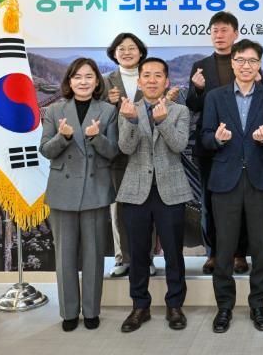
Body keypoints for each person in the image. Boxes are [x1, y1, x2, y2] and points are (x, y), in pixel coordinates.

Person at [201, 39, 263, 333]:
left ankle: (258, 305)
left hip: (260, 180)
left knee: (260, 248)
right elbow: (205, 137)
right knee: (224, 249)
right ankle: (224, 307)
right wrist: (217, 139)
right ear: (232, 63)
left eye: (252, 61)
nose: (246, 66)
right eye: (241, 60)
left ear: (259, 65)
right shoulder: (215, 96)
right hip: (226, 181)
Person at [39, 58, 119, 331]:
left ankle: (92, 311)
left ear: (97, 81)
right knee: (65, 257)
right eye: (77, 77)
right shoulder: (54, 111)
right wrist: (62, 137)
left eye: (89, 76)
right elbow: (46, 150)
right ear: (69, 82)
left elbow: (113, 151)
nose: (83, 82)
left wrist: (96, 137)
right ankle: (69, 312)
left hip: (95, 190)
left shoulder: (108, 111)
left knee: (94, 256)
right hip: (63, 191)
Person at [116, 57, 194, 333]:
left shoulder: (180, 111)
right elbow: (125, 148)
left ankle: (175, 305)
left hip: (170, 190)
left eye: (157, 75)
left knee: (174, 252)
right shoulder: (128, 109)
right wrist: (131, 121)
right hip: (135, 190)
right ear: (139, 82)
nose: (152, 80)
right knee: (138, 253)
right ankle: (140, 306)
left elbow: (179, 145)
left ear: (166, 81)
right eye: (146, 75)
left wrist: (162, 122)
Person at [185, 11, 249, 275]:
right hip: (210, 145)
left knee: (242, 201)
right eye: (214, 31)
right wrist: (198, 89)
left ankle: (239, 254)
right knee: (210, 203)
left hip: (242, 146)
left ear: (235, 33)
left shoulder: (245, 62)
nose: (219, 35)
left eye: (224, 30)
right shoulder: (200, 66)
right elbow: (192, 105)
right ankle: (212, 253)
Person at [102, 32, 156, 278]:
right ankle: (122, 258)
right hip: (117, 153)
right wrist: (107, 101)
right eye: (121, 48)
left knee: (148, 207)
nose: (126, 52)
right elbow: (96, 114)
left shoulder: (150, 76)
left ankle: (147, 258)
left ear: (141, 52)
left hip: (146, 150)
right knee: (120, 209)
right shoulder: (105, 81)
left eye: (131, 47)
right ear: (114, 54)